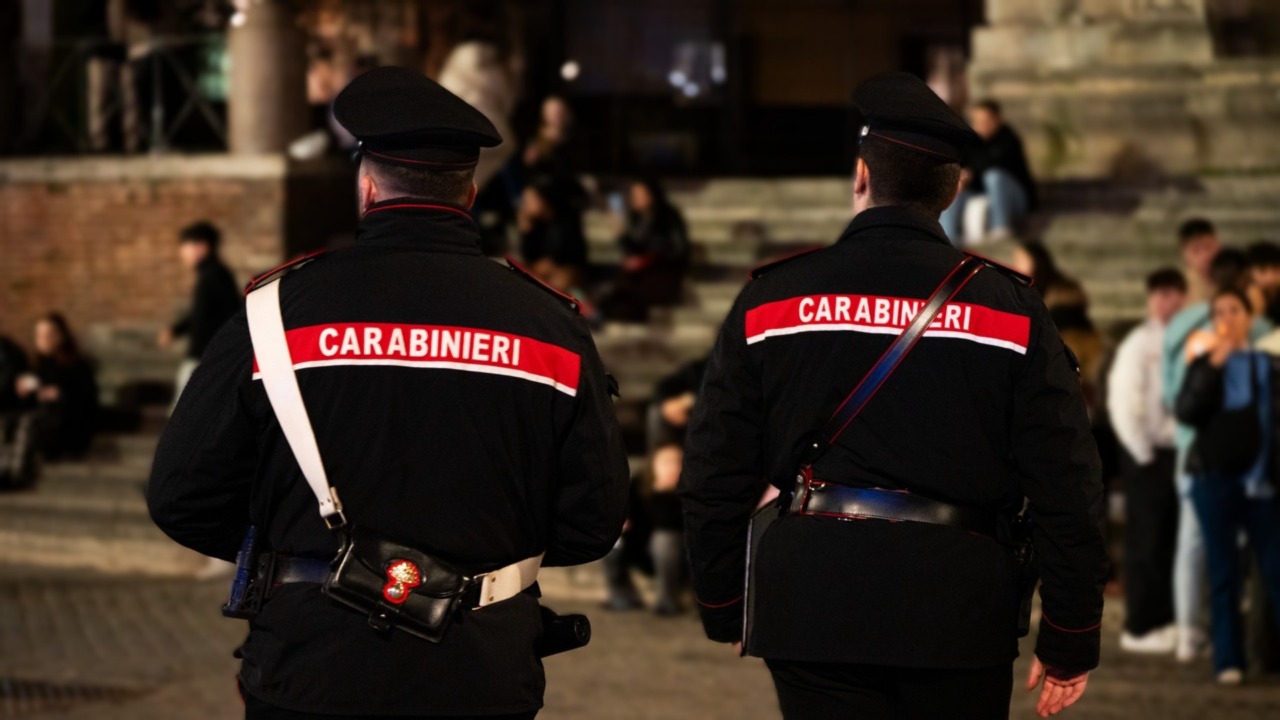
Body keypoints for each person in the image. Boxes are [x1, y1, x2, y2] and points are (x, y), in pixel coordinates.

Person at [146, 67, 630, 720]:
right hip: (478, 673)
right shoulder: (551, 326)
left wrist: (300, 549)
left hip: (309, 666)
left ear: (367, 186)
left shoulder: (273, 316)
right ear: (472, 192)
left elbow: (182, 496)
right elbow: (593, 521)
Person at [680, 73, 1106, 720]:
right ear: (954, 188)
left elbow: (715, 464)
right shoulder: (1011, 308)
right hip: (957, 603)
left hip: (814, 597)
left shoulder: (774, 297)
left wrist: (724, 599)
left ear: (861, 175)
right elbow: (1065, 479)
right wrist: (1071, 632)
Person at [1161, 247, 1272, 662]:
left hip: (1233, 460)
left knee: (1206, 549)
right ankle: (1198, 633)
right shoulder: (1202, 336)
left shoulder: (1253, 342)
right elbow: (1182, 398)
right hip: (1204, 455)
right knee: (1204, 549)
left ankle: (1200, 633)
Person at [1107, 269, 1187, 654]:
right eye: (1158, 294)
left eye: (1172, 294)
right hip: (1147, 455)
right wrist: (1143, 455)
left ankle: (1168, 619)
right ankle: (1140, 626)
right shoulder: (1140, 343)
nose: (1164, 302)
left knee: (1174, 540)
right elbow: (1123, 404)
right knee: (1147, 540)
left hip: (1181, 453)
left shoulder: (1191, 339)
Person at [158, 221, 241, 410]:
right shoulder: (211, 275)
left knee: (183, 415)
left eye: (185, 246)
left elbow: (230, 314)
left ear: (202, 247)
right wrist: (175, 329)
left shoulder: (215, 275)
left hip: (204, 360)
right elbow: (200, 315)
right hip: (202, 359)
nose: (182, 253)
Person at [939, 99, 1036, 246]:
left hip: (1014, 199)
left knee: (994, 176)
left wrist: (972, 172)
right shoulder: (969, 142)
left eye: (986, 120)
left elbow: (995, 162)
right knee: (955, 185)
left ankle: (1001, 227)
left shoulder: (1009, 140)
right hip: (979, 197)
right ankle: (947, 238)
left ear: (998, 120)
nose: (981, 125)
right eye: (977, 121)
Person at [599, 178, 691, 322]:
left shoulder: (668, 217)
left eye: (638, 195)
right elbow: (633, 249)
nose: (633, 199)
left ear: (651, 195)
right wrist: (620, 233)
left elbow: (676, 250)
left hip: (663, 271)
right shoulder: (638, 218)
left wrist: (646, 260)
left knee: (631, 289)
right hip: (643, 272)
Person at [16, 314, 99, 462]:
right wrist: (23, 391)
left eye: (47, 335)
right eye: (39, 335)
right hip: (42, 420)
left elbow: (88, 400)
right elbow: (31, 397)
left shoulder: (76, 365)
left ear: (60, 336)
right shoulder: (36, 366)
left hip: (70, 425)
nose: (42, 340)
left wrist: (61, 394)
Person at [516, 175, 588, 295]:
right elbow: (529, 257)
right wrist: (526, 232)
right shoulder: (535, 224)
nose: (525, 206)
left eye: (529, 200)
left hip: (568, 272)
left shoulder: (564, 221)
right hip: (544, 274)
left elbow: (549, 262)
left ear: (542, 200)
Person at [1179, 218, 1221, 306]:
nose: (1205, 256)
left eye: (1208, 247)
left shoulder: (1234, 277)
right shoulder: (1180, 287)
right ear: (1185, 255)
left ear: (1218, 245)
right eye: (1196, 250)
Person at [1247, 240, 1280, 326]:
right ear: (1250, 273)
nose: (1270, 278)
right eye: (1262, 270)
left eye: (1276, 269)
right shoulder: (1242, 300)